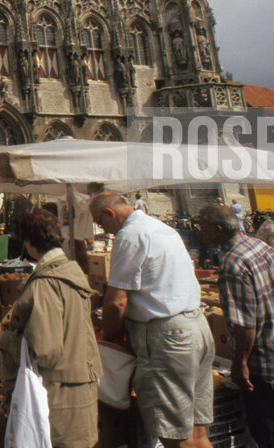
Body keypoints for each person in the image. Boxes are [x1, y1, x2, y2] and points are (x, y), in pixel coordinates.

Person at [89, 192, 214, 448]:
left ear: (109, 214)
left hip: (167, 337)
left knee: (175, 435)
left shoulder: (129, 235)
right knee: (196, 431)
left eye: (101, 224)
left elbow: (117, 301)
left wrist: (109, 338)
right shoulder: (162, 228)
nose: (106, 231)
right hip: (196, 327)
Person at [197, 204, 274, 448]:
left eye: (202, 225)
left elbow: (245, 324)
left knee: (271, 427)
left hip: (265, 357)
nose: (199, 229)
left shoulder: (233, 262)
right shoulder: (258, 245)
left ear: (217, 230)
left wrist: (240, 364)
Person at [0, 208, 101, 447]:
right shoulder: (72, 273)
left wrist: (6, 340)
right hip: (79, 388)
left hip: (58, 397)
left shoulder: (45, 285)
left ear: (29, 242)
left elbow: (44, 350)